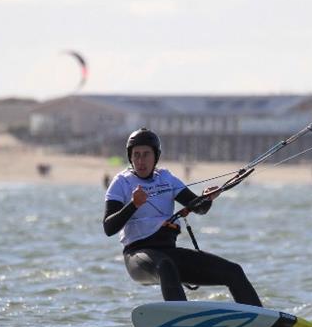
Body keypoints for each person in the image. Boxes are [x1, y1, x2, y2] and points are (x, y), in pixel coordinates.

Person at [103, 127, 262, 306]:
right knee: (165, 266)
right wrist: (134, 204)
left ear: (156, 156)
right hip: (138, 256)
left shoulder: (166, 178)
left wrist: (207, 198)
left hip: (169, 252)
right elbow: (109, 228)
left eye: (146, 154)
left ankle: (265, 325)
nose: (140, 160)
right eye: (136, 155)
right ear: (130, 157)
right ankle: (185, 321)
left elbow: (197, 207)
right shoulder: (121, 182)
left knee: (233, 271)